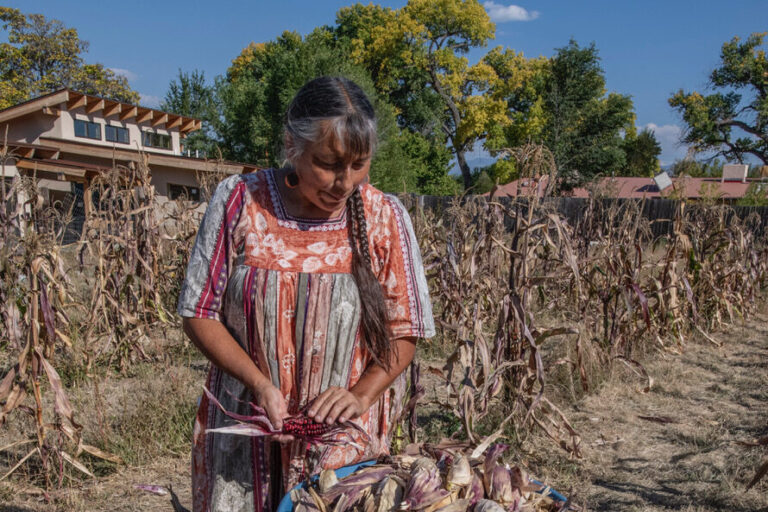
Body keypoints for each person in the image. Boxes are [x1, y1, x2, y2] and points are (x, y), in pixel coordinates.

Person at [177, 76, 435, 512]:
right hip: (248, 426)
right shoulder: (240, 200)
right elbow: (198, 311)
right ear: (291, 145)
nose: (344, 182)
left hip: (340, 440)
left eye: (359, 165)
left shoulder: (385, 216)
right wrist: (259, 384)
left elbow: (404, 331)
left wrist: (360, 395)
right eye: (329, 163)